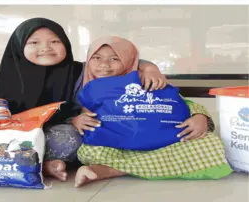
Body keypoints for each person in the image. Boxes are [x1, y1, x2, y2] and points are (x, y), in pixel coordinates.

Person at [0, 18, 169, 182]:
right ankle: (39, 167)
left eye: (54, 41)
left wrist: (150, 67)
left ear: (66, 45)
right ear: (19, 46)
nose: (45, 47)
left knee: (70, 138)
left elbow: (120, 61)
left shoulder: (79, 71)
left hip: (49, 137)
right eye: (34, 42)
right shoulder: (1, 78)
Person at [73, 36, 233, 187]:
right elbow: (84, 112)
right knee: (88, 152)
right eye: (96, 58)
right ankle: (129, 166)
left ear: (129, 60)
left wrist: (200, 117)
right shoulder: (85, 85)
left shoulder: (146, 78)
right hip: (117, 145)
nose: (104, 65)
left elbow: (177, 102)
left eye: (115, 59)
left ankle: (109, 170)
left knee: (209, 144)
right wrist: (78, 119)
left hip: (162, 143)